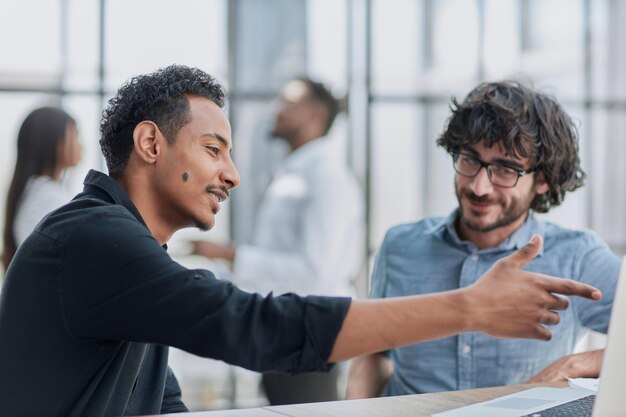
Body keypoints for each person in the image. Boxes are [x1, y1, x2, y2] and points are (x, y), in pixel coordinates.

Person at [0, 66, 601, 417]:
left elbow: (164, 401)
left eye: (505, 170)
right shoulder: (93, 240)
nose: (232, 173)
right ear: (152, 144)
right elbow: (250, 323)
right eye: (214, 151)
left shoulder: (123, 249)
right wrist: (469, 309)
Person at [346, 81, 620, 399]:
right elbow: (375, 353)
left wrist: (574, 366)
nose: (479, 187)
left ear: (542, 180)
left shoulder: (577, 257)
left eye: (505, 169)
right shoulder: (400, 246)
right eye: (470, 160)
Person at [191, 77, 364, 404]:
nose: (278, 110)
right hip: (284, 329)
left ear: (314, 117)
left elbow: (314, 272)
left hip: (308, 334)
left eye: (290, 103)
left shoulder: (327, 178)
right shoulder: (295, 173)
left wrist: (231, 255)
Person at [2, 106, 81, 270]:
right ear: (54, 141)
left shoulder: (33, 191)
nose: (81, 145)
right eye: (75, 135)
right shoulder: (48, 196)